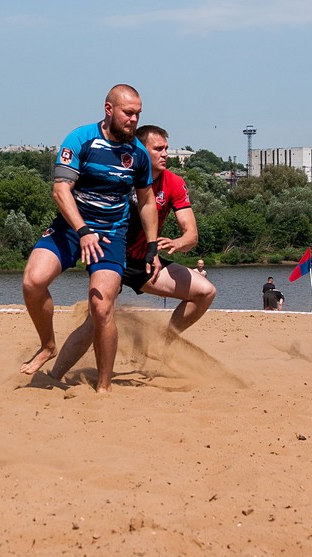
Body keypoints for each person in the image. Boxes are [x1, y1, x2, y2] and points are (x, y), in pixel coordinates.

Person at [20, 85, 161, 393]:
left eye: (138, 114)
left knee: (101, 308)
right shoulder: (80, 139)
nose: (134, 120)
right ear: (109, 109)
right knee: (33, 281)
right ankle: (47, 345)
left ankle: (104, 387)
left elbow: (147, 201)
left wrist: (152, 247)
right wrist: (83, 231)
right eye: (128, 113)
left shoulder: (137, 154)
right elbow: (60, 191)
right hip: (72, 228)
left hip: (111, 235)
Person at [50, 125, 217, 381]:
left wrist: (178, 242)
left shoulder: (174, 183)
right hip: (111, 256)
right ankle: (54, 375)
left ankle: (163, 342)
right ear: (141, 151)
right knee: (96, 320)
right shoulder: (121, 176)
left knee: (205, 292)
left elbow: (191, 234)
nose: (165, 154)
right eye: (158, 149)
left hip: (146, 262)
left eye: (166, 149)